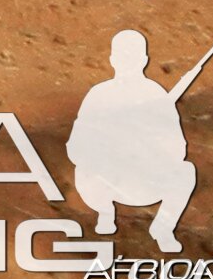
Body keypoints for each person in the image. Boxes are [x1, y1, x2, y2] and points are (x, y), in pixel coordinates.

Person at [69, 29, 201, 253]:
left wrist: (148, 148)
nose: (127, 63)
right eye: (123, 57)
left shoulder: (157, 96)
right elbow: (76, 147)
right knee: (84, 170)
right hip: (107, 181)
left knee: (186, 171)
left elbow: (178, 149)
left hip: (145, 181)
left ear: (144, 61)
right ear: (113, 60)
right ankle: (105, 212)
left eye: (131, 57)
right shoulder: (99, 94)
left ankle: (163, 227)